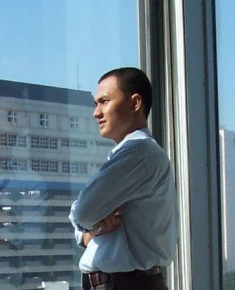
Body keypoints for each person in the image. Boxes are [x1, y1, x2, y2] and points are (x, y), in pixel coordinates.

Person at [69, 67, 177, 290]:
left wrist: (87, 222)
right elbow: (84, 216)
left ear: (134, 103)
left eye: (104, 101)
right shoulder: (132, 155)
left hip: (127, 284)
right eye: (95, 103)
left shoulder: (139, 154)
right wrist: (91, 230)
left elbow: (82, 211)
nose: (96, 112)